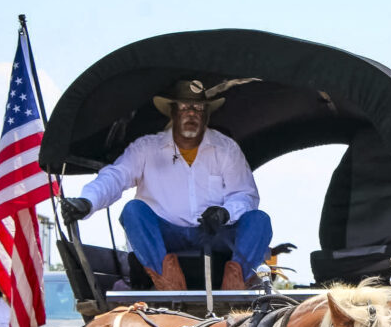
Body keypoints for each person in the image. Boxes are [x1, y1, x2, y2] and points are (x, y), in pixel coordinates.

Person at [60, 79, 272, 290]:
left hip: (214, 234)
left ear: (206, 114)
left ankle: (234, 284)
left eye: (198, 108)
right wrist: (87, 202)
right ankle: (168, 283)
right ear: (172, 112)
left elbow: (245, 195)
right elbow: (115, 177)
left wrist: (224, 213)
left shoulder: (226, 148)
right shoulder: (146, 147)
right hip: (165, 237)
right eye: (184, 107)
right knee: (133, 211)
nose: (191, 113)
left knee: (259, 220)